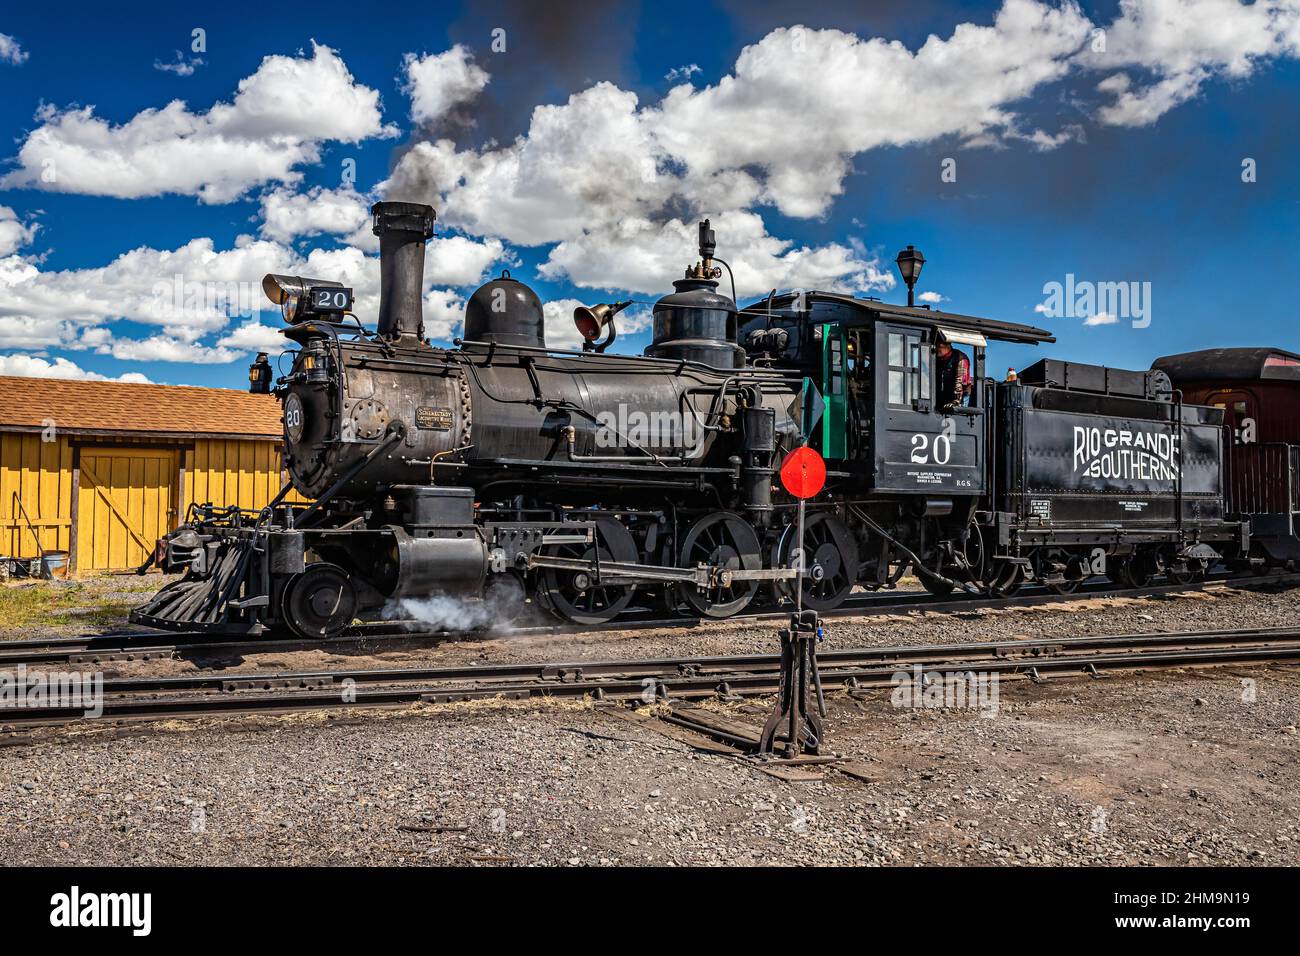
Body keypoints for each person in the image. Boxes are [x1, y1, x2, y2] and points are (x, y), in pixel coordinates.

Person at [935, 335, 971, 411]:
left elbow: (959, 382)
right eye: (936, 346)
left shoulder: (960, 358)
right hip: (944, 395)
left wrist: (956, 402)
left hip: (961, 396)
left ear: (948, 346)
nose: (936, 349)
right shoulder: (937, 358)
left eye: (939, 346)